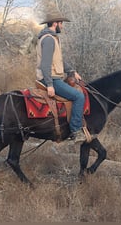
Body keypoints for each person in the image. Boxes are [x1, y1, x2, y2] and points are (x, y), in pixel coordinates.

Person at [36, 10, 87, 143]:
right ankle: (75, 131)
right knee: (79, 96)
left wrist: (71, 71)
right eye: (61, 23)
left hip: (53, 77)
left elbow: (58, 60)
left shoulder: (51, 38)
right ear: (55, 23)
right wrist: (49, 84)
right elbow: (45, 64)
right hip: (51, 78)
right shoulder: (49, 40)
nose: (62, 26)